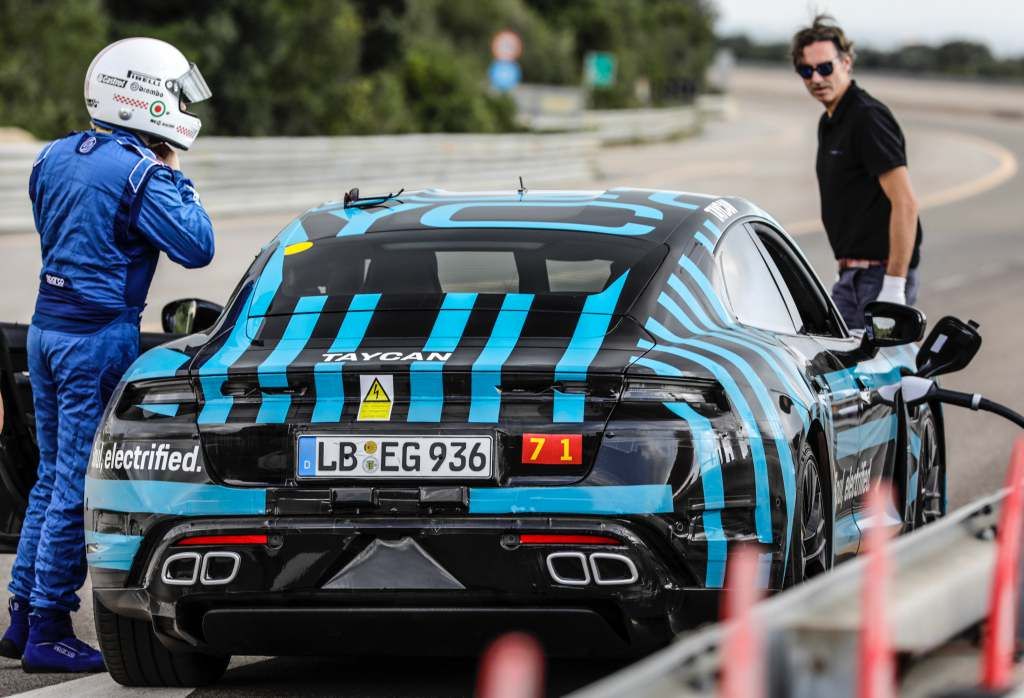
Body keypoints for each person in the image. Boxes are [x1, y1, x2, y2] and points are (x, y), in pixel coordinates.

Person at [0, 37, 215, 673]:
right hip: (98, 337)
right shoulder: (140, 173)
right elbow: (197, 245)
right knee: (74, 483)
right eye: (175, 93)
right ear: (146, 97)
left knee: (47, 477)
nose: (182, 104)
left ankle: (20, 616)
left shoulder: (54, 154)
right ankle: (49, 625)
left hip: (45, 331)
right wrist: (172, 172)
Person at [791, 15, 923, 329]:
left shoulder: (868, 117)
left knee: (874, 373)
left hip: (879, 278)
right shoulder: (830, 121)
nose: (816, 78)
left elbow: (905, 204)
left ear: (846, 63)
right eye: (806, 71)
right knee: (835, 364)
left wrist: (893, 286)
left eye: (825, 67)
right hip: (853, 276)